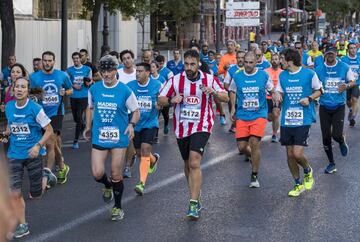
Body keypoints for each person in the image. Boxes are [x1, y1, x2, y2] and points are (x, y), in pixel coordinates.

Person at [158, 49, 229, 219]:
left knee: (194, 162)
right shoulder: (175, 80)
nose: (189, 67)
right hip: (182, 127)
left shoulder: (209, 79)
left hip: (202, 125)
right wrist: (171, 100)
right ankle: (195, 193)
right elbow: (160, 99)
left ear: (198, 64)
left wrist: (214, 92)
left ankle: (192, 203)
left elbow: (225, 97)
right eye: (186, 64)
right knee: (187, 164)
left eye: (192, 64)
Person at [83, 55, 140, 221]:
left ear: (116, 71)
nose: (107, 74)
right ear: (100, 72)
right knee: (97, 173)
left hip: (119, 138)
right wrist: (87, 126)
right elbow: (90, 108)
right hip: (99, 136)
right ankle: (107, 185)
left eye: (110, 70)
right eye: (103, 71)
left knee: (116, 173)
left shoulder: (125, 90)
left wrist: (131, 125)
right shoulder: (94, 89)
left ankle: (117, 207)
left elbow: (136, 111)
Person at [4, 77, 54, 238]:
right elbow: (10, 124)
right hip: (14, 154)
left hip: (33, 154)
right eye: (17, 87)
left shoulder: (35, 108)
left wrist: (38, 146)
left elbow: (49, 130)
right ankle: (23, 225)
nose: (19, 89)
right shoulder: (9, 107)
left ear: (27, 90)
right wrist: (7, 133)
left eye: (23, 87)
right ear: (13, 89)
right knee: (15, 193)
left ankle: (45, 177)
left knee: (36, 194)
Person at [274, 48, 323, 197]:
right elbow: (280, 91)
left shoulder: (309, 74)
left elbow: (320, 90)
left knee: (297, 153)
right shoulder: (282, 75)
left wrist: (308, 98)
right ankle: (297, 184)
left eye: (282, 58)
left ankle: (307, 170)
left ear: (289, 61)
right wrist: (276, 96)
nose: (280, 61)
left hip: (304, 118)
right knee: (289, 155)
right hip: (287, 119)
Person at [229, 51, 274, 188]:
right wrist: (232, 109)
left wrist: (276, 94)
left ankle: (254, 175)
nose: (247, 65)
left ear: (256, 62)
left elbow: (271, 89)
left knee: (254, 142)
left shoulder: (263, 75)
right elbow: (232, 91)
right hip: (242, 115)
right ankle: (254, 158)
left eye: (250, 62)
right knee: (242, 147)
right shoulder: (237, 76)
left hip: (259, 114)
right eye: (246, 62)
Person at [30, 51, 73, 185]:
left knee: (49, 142)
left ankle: (47, 174)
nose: (47, 63)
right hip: (41, 113)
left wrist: (64, 92)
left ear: (54, 61)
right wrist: (36, 96)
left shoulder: (62, 75)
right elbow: (31, 93)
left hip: (56, 112)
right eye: (45, 60)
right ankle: (62, 167)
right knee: (52, 144)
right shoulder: (34, 77)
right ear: (42, 61)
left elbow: (71, 89)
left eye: (50, 60)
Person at [316, 46, 356, 173]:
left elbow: (353, 81)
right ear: (325, 55)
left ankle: (341, 140)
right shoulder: (319, 69)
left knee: (336, 135)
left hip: (339, 105)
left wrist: (347, 85)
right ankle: (331, 163)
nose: (330, 56)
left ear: (336, 54)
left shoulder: (344, 66)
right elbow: (314, 85)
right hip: (324, 106)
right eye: (328, 54)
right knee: (326, 137)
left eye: (332, 54)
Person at [127, 63, 161, 195]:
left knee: (146, 149)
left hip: (150, 123)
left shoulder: (157, 85)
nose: (137, 74)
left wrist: (160, 105)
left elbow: (163, 99)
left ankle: (141, 183)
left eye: (140, 71)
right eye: (137, 71)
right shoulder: (130, 86)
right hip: (135, 123)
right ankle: (153, 160)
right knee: (140, 153)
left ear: (148, 73)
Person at [117, 49, 137, 178]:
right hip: (120, 110)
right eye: (124, 59)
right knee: (124, 139)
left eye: (128, 58)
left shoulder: (138, 73)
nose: (126, 60)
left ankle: (127, 166)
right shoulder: (118, 73)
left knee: (130, 139)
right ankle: (127, 162)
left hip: (135, 111)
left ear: (133, 59)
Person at [67, 52, 92, 149]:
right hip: (73, 97)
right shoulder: (69, 70)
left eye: (77, 58)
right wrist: (73, 85)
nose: (76, 60)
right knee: (76, 119)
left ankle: (75, 141)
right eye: (74, 59)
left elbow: (89, 82)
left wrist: (87, 82)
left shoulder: (87, 69)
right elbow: (66, 81)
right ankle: (82, 124)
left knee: (78, 118)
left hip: (83, 96)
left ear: (80, 59)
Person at [223, 50, 246, 133]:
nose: (240, 59)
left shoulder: (249, 69)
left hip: (246, 97)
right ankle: (234, 124)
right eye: (238, 58)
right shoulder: (231, 70)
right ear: (236, 58)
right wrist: (232, 91)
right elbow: (225, 83)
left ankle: (239, 125)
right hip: (234, 97)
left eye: (242, 58)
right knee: (234, 111)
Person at [341, 42, 360, 127]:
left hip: (356, 83)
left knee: (355, 99)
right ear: (348, 50)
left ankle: (352, 117)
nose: (353, 50)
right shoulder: (343, 59)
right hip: (347, 83)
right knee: (348, 102)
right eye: (351, 48)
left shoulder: (359, 58)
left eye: (354, 48)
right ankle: (351, 110)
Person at [265, 53, 282, 142]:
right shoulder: (265, 71)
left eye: (276, 59)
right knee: (269, 117)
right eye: (273, 59)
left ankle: (274, 135)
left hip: (277, 98)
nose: (274, 61)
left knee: (276, 114)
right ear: (270, 61)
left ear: (279, 61)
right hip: (266, 98)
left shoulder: (282, 72)